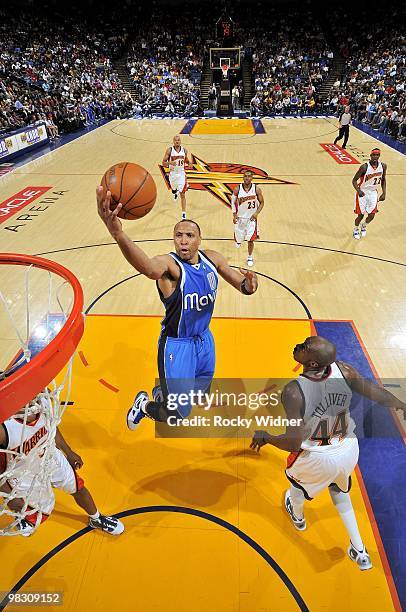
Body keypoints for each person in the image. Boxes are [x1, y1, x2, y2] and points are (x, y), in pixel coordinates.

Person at [96, 188, 258, 430]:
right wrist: (118, 234)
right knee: (178, 414)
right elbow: (149, 267)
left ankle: (164, 389)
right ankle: (144, 406)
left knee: (201, 394)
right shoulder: (169, 266)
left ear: (199, 239)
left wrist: (251, 285)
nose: (183, 240)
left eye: (190, 235)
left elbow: (243, 286)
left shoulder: (213, 259)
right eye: (178, 235)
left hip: (204, 339)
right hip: (176, 345)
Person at [250, 336, 406, 570]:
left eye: (304, 348)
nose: (298, 346)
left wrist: (266, 437)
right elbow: (378, 394)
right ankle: (360, 550)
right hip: (347, 448)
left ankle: (298, 517)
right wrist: (402, 405)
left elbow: (293, 443)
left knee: (295, 483)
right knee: (338, 487)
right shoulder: (344, 370)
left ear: (311, 363)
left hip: (319, 457)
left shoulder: (294, 392)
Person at [0, 397, 124, 536]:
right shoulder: (5, 429)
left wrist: (68, 452)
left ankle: (96, 518)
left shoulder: (42, 402)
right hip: (22, 471)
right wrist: (8, 495)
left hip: (49, 455)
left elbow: (51, 427)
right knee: (23, 509)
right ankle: (21, 516)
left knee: (78, 488)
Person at [231, 169, 264, 267]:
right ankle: (238, 241)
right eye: (245, 176)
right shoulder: (237, 189)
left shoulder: (256, 189)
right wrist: (234, 214)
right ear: (243, 177)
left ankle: (250, 256)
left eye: (249, 176)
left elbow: (262, 203)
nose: (247, 178)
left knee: (251, 240)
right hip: (240, 218)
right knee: (238, 238)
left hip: (251, 219)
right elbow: (232, 202)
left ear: (252, 178)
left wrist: (256, 213)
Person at [352, 148, 387, 239]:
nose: (375, 156)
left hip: (373, 192)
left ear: (379, 156)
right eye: (374, 155)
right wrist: (358, 191)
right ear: (370, 156)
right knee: (361, 215)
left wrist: (384, 193)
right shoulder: (364, 167)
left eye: (377, 155)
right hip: (363, 192)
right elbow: (354, 180)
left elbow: (383, 180)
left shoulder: (383, 166)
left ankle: (363, 226)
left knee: (372, 215)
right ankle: (356, 229)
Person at [162, 135, 191, 220]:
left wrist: (189, 163)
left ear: (180, 141)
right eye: (176, 140)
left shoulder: (184, 150)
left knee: (182, 193)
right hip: (173, 174)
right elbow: (163, 163)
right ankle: (175, 192)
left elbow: (186, 160)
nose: (177, 142)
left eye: (178, 140)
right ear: (173, 141)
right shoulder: (169, 150)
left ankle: (183, 213)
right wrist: (170, 163)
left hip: (181, 173)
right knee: (173, 189)